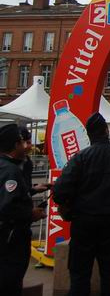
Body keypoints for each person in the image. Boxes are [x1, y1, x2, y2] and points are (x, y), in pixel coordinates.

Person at [53, 113, 110, 296]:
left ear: (88, 134)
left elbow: (60, 191)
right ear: (105, 131)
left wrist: (68, 210)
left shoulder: (80, 157)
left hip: (83, 223)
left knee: (80, 273)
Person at [0, 124, 45, 295]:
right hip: (10, 239)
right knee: (10, 282)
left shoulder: (12, 166)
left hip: (8, 238)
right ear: (15, 145)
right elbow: (7, 206)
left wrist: (32, 189)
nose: (27, 146)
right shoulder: (10, 171)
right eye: (23, 142)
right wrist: (31, 214)